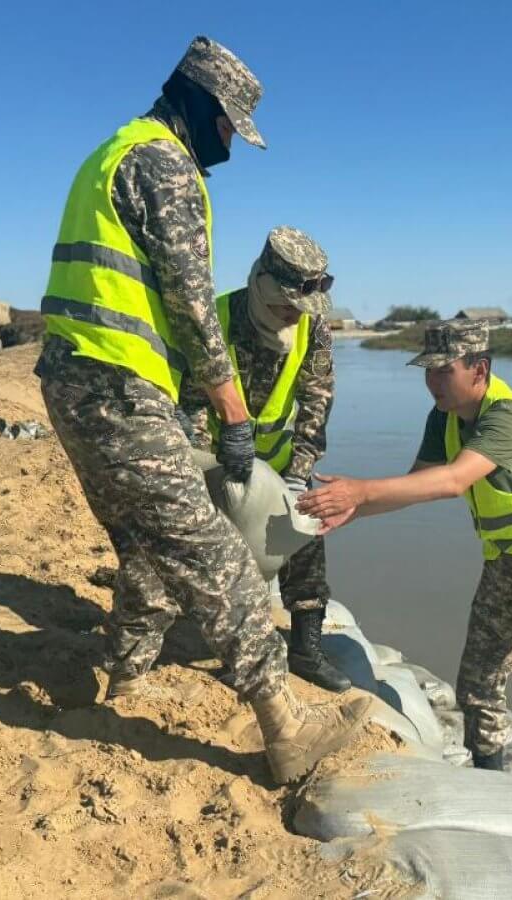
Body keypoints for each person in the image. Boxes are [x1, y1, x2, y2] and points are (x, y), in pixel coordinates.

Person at [33, 35, 370, 784]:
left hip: (78, 380)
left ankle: (122, 678)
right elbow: (189, 302)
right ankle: (287, 727)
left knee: (147, 545)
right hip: (117, 384)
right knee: (214, 555)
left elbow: (313, 404)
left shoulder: (115, 151)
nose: (230, 145)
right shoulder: (164, 162)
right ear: (201, 103)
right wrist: (232, 412)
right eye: (229, 128)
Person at [297, 319, 512, 798]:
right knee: (477, 682)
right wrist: (352, 510)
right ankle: (490, 780)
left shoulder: (508, 418)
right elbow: (417, 486)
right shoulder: (446, 416)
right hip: (505, 564)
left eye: (444, 370)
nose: (433, 382)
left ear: (480, 369)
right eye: (427, 371)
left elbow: (453, 481)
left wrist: (362, 488)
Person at [179, 225, 349, 692]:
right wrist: (208, 466)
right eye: (284, 306)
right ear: (260, 284)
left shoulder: (313, 330)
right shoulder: (215, 319)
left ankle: (307, 647)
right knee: (197, 540)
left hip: (277, 461)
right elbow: (190, 398)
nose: (292, 317)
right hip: (213, 457)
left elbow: (317, 403)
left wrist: (297, 477)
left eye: (301, 310)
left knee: (306, 530)